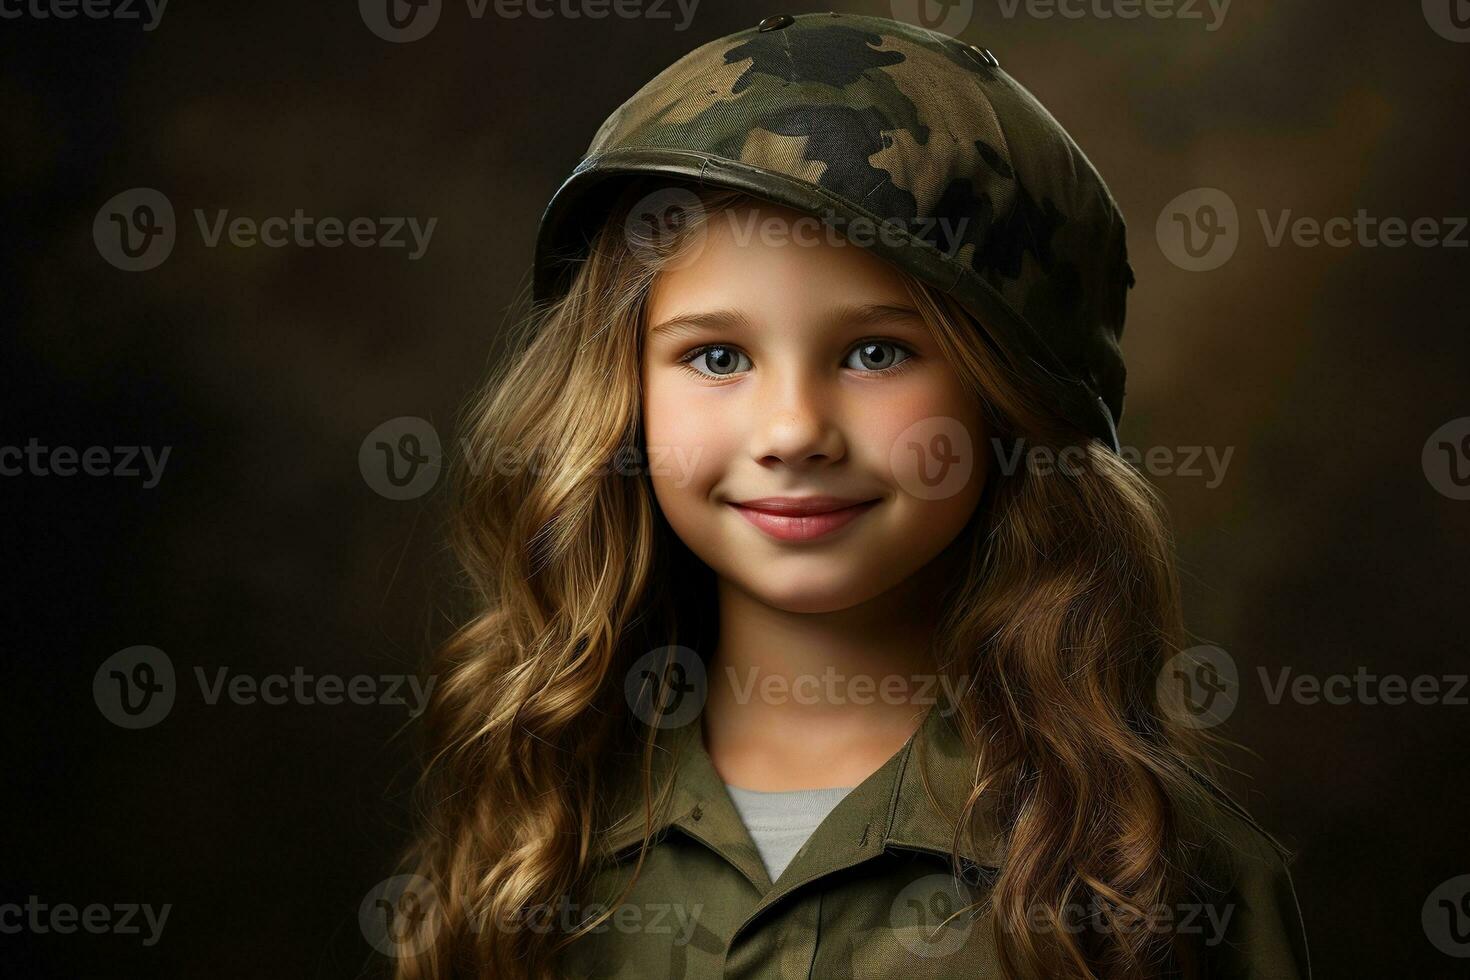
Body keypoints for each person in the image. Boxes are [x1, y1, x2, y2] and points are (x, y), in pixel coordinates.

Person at [391, 13, 1310, 979]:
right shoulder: (531, 833)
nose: (792, 432)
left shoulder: (1155, 881)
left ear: (1010, 398)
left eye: (877, 352)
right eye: (716, 355)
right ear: (622, 392)